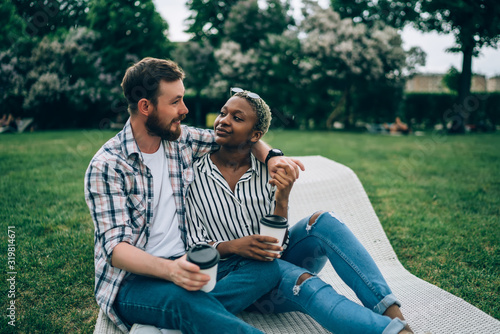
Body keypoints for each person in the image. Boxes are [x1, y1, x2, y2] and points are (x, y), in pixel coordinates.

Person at [84, 58, 304, 334]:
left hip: (190, 261)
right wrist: (171, 271)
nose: (185, 110)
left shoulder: (182, 140)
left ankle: (167, 320)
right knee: (182, 300)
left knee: (268, 269)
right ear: (145, 107)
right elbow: (116, 251)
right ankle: (178, 311)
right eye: (175, 102)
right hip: (135, 281)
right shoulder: (107, 165)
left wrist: (272, 158)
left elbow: (242, 136)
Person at [184, 88, 414, 334]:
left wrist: (282, 198)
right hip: (232, 276)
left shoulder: (269, 172)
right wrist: (236, 246)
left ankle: (393, 315)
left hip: (270, 263)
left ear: (256, 135)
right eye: (223, 113)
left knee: (324, 221)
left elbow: (276, 248)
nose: (223, 121)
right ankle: (394, 333)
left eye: (237, 118)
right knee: (304, 282)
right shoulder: (193, 171)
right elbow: (193, 245)